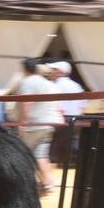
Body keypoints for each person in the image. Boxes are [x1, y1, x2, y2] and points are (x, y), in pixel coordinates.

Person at [11, 58, 63, 193]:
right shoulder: (49, 83)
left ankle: (22, 183)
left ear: (25, 69)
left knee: (23, 153)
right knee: (40, 154)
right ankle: (47, 181)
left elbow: (26, 102)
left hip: (34, 123)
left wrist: (22, 123)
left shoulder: (27, 82)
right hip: (49, 122)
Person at [48, 61, 85, 166]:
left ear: (60, 72)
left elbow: (55, 105)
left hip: (59, 119)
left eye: (54, 70)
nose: (51, 72)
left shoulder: (54, 85)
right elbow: (83, 105)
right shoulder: (77, 86)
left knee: (54, 147)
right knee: (71, 145)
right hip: (75, 119)